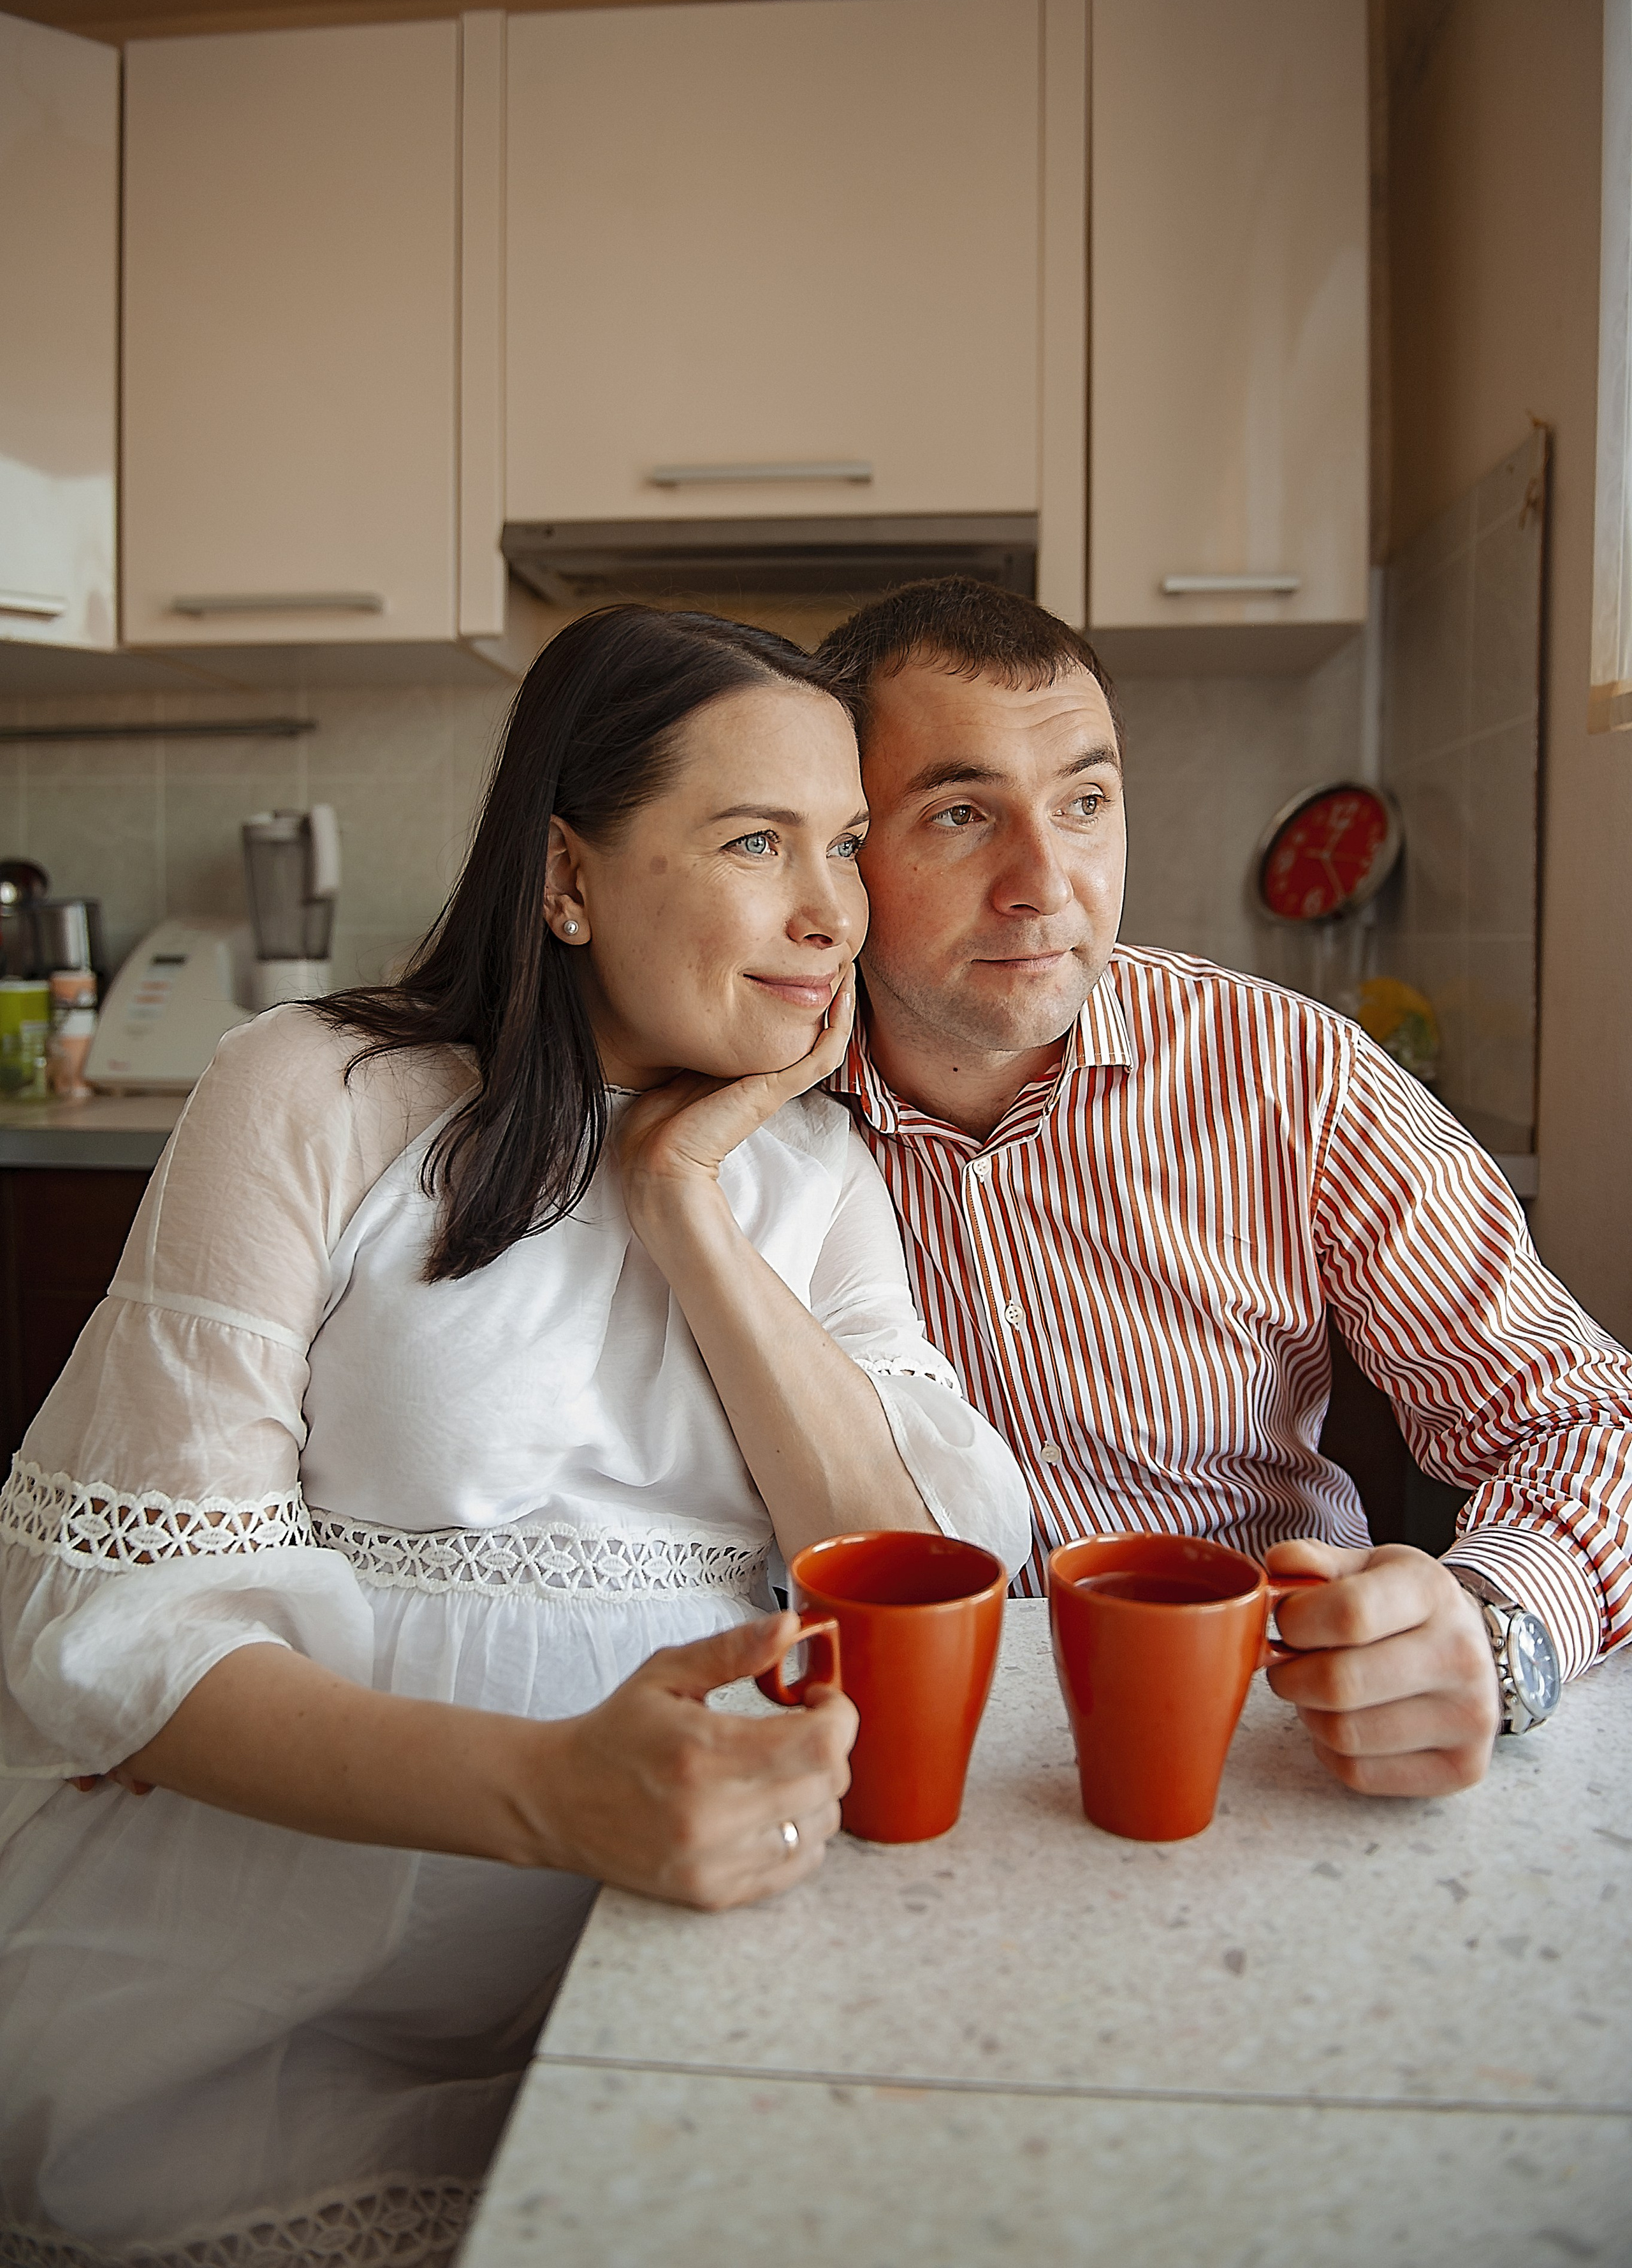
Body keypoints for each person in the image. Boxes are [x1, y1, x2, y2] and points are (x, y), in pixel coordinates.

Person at [0, 605, 1031, 2266]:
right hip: (285, 1987)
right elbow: (132, 1629)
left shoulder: (814, 1174)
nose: (833, 912)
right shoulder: (320, 1092)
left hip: (682, 1958)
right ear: (566, 876)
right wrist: (555, 1792)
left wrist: (682, 1196)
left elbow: (922, 1569)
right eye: (755, 841)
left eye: (843, 842)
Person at [818, 576, 1632, 1799]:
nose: (1048, 881)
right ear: (843, 849)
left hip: (1271, 1744)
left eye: (1085, 803)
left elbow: (1586, 1420)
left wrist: (1492, 1622)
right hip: (883, 1755)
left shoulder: (1291, 1077)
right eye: (961, 815)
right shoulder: (750, 1115)